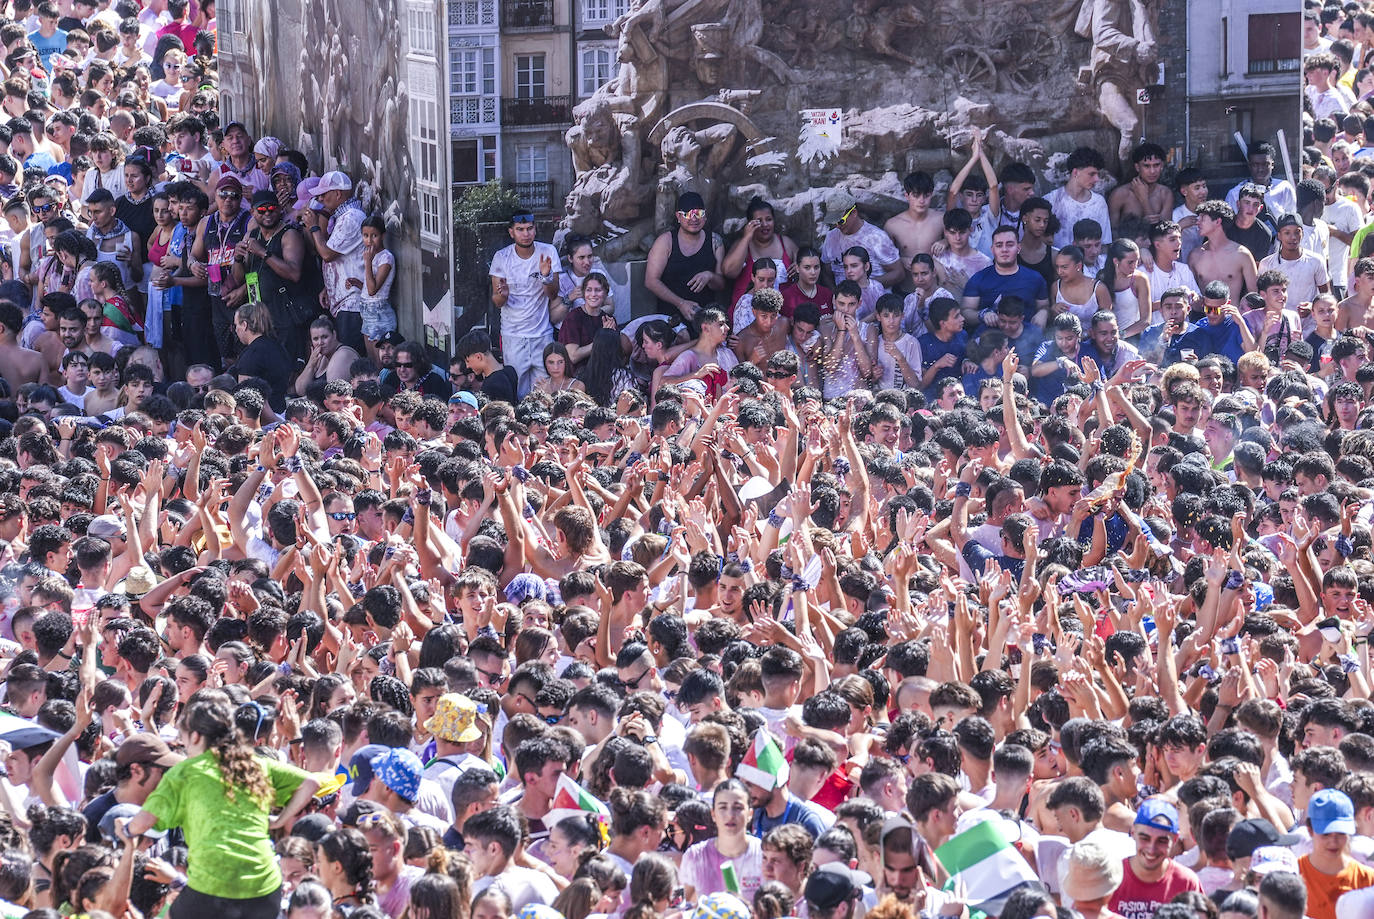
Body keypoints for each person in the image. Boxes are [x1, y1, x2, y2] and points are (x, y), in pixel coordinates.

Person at [122, 696, 319, 919]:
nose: (182, 743)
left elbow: (143, 822)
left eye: (183, 737)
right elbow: (311, 783)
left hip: (213, 887)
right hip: (264, 886)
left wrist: (126, 829)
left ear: (195, 737)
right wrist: (281, 820)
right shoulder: (255, 763)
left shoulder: (185, 772)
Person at [1108, 799, 1203, 919]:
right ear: (1133, 832)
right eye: (1145, 838)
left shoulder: (1186, 882)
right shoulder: (1110, 877)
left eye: (1162, 841)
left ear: (1175, 840)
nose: (1151, 849)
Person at [645, 191, 725, 328]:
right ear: (678, 216)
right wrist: (681, 303)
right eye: (688, 214)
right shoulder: (666, 242)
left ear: (705, 216)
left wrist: (709, 276)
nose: (694, 219)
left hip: (705, 320)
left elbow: (721, 284)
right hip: (670, 319)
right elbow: (651, 281)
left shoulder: (715, 242)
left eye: (698, 213)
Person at [229, 302, 293, 412]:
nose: (236, 330)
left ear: (244, 325)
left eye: (236, 325)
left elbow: (245, 398)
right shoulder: (278, 346)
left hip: (263, 417)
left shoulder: (250, 355)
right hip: (282, 410)